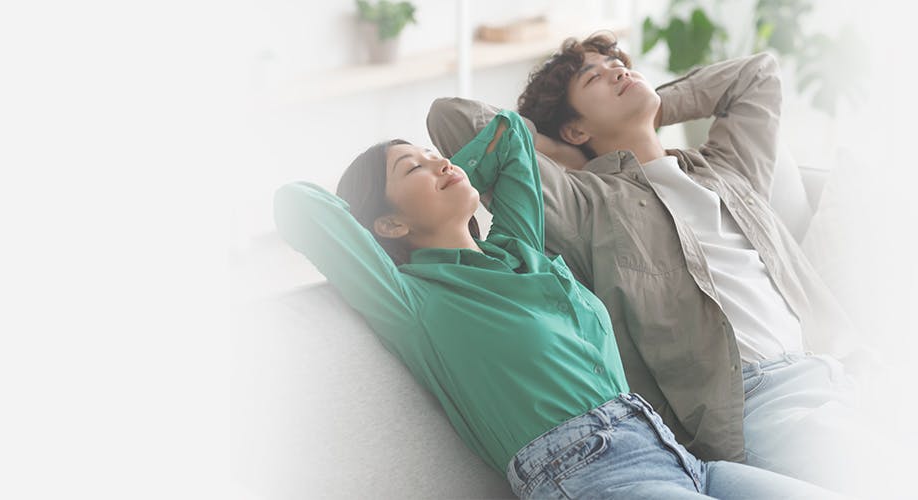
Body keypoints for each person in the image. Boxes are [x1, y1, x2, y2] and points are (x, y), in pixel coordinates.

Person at [272, 108, 839, 498]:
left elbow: (510, 135)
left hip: (674, 455)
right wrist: (411, 204)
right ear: (389, 222)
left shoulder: (519, 252)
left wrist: (444, 174)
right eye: (412, 167)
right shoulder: (412, 298)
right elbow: (296, 204)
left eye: (432, 154)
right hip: (588, 477)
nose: (438, 162)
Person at [425, 32, 877, 492]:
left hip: (846, 371)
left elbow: (756, 75)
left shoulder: (726, 166)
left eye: (617, 63)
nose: (617, 70)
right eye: (593, 77)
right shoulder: (585, 205)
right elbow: (452, 116)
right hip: (761, 402)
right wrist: (562, 152)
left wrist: (651, 106)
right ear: (574, 129)